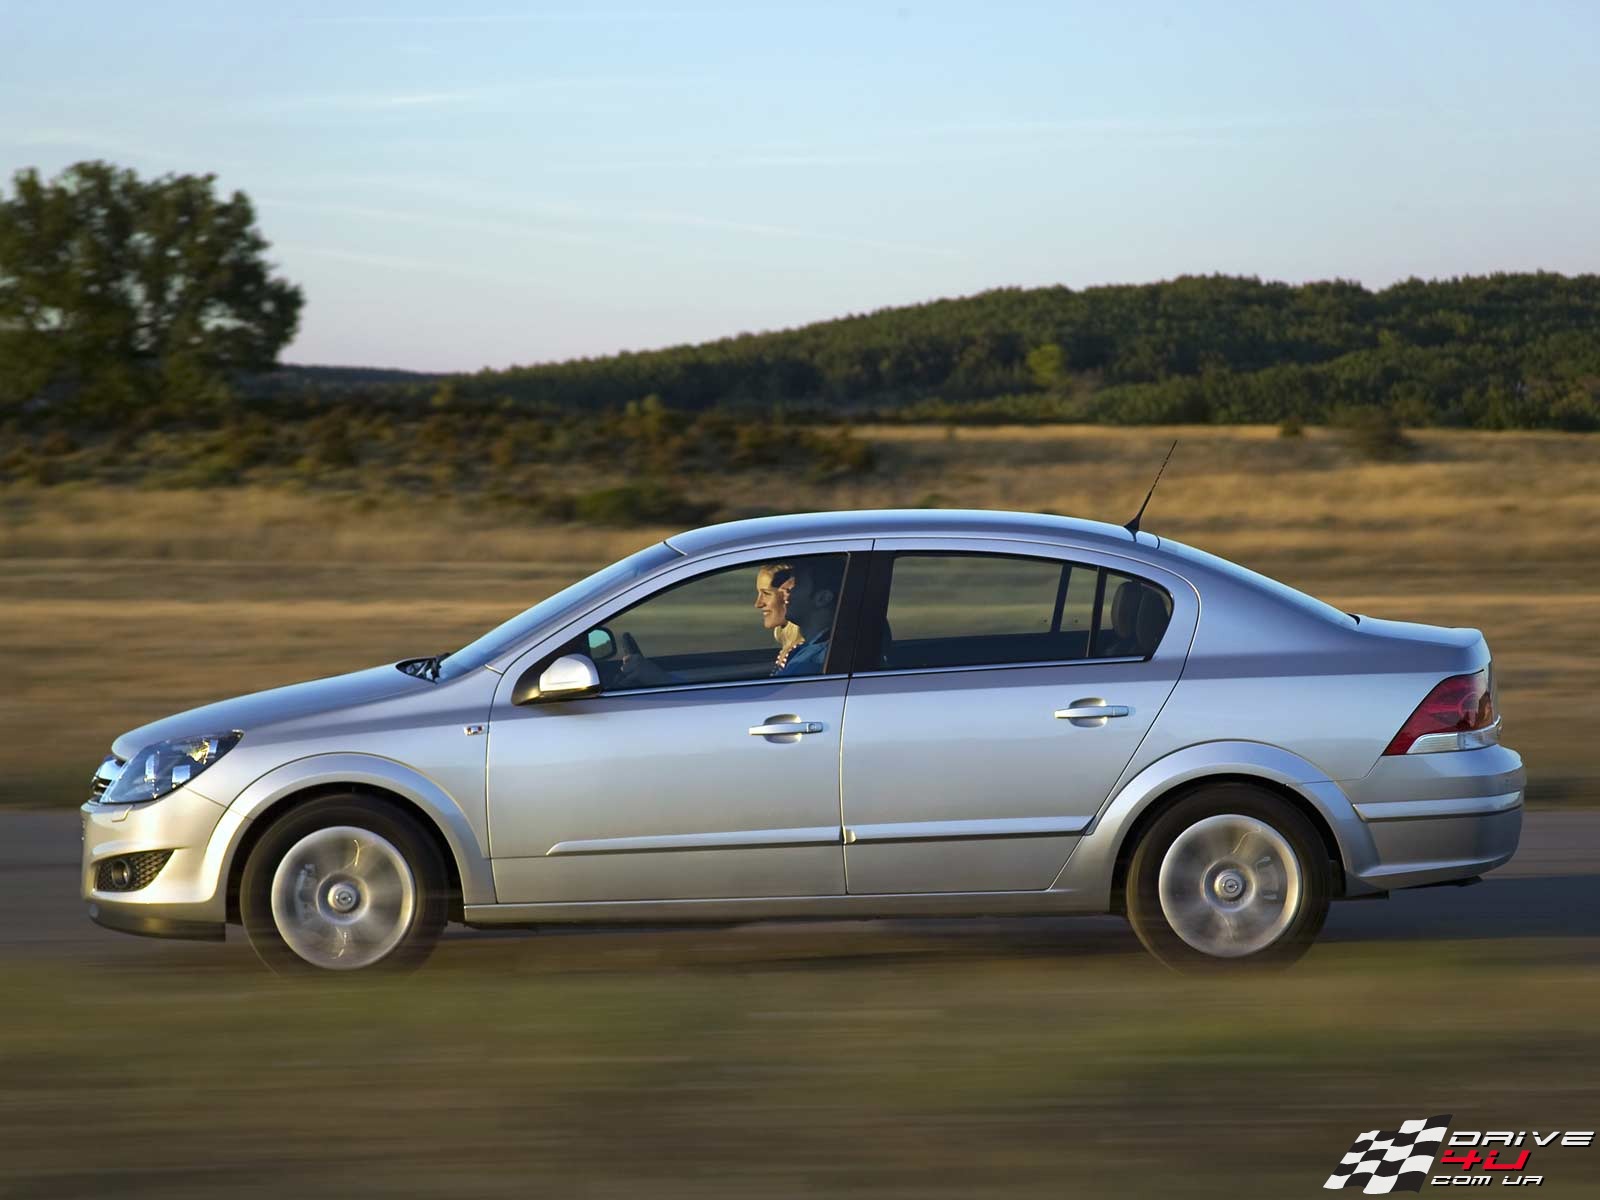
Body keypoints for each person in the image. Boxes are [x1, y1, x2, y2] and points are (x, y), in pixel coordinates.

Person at [771, 557, 842, 677]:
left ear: (822, 598)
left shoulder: (810, 665)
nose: (786, 589)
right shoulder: (809, 652)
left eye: (797, 583)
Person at [753, 562, 806, 670]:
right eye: (759, 593)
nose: (758, 604)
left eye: (767, 593)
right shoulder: (789, 649)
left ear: (789, 595)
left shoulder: (802, 655)